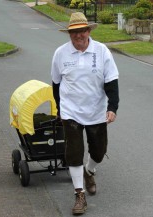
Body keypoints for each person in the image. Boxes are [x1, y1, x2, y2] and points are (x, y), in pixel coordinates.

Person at [51, 12, 119, 215]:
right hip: (71, 111)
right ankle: (79, 194)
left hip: (96, 110)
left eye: (82, 31)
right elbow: (56, 84)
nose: (78, 35)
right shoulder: (60, 54)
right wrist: (60, 108)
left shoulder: (102, 51)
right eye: (74, 32)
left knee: (98, 150)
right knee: (73, 153)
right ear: (69, 34)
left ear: (89, 31)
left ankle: (89, 171)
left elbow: (112, 82)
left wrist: (112, 108)